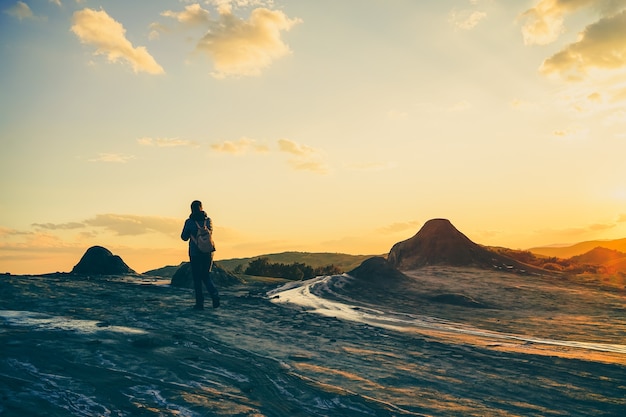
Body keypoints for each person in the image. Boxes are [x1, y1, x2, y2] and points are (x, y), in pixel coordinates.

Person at [181, 200, 220, 310]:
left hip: (195, 252)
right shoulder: (208, 221)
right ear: (201, 208)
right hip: (208, 252)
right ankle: (214, 294)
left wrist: (190, 233)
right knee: (206, 275)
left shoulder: (189, 222)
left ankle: (200, 304)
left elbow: (183, 237)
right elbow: (210, 233)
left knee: (197, 278)